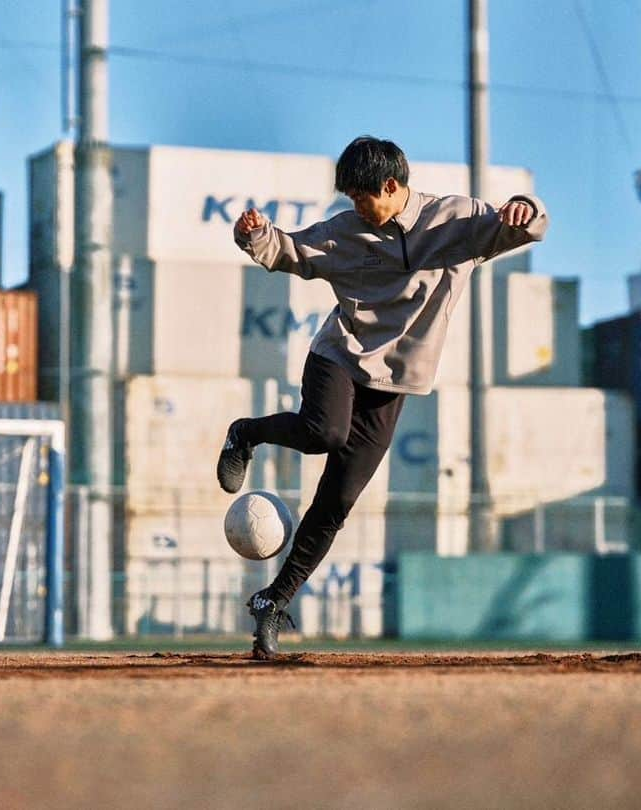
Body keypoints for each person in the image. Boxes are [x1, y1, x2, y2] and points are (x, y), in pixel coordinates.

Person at [218, 136, 549, 659]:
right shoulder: (345, 231)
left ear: (391, 186)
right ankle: (246, 433)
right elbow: (290, 251)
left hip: (392, 382)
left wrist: (524, 210)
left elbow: (526, 226)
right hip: (340, 357)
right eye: (348, 198)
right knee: (323, 432)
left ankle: (273, 602)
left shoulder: (454, 220)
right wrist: (255, 237)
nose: (355, 207)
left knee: (338, 500)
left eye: (361, 197)